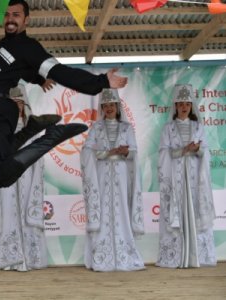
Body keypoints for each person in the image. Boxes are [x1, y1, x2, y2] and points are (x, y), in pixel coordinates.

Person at [0, 0, 128, 189]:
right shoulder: (8, 44)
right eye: (7, 15)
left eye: (16, 15)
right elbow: (20, 69)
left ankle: (52, 136)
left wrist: (101, 82)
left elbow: (59, 71)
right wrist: (39, 80)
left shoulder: (29, 46)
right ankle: (32, 127)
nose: (10, 19)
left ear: (26, 20)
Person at [81, 89, 145, 272]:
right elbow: (86, 151)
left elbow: (134, 152)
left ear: (117, 107)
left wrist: (125, 152)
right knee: (102, 208)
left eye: (112, 105)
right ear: (102, 107)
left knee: (121, 210)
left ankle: (125, 254)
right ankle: (101, 255)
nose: (109, 108)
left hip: (121, 174)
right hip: (101, 174)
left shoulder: (127, 128)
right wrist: (108, 153)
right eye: (105, 105)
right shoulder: (96, 128)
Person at [0, 85, 47, 271]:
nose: (16, 108)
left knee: (25, 209)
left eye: (19, 103)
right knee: (9, 212)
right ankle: (10, 258)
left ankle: (29, 257)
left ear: (24, 106)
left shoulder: (32, 129)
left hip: (27, 175)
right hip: (7, 178)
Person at [156, 84, 216, 268]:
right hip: (176, 179)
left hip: (194, 178)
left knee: (196, 210)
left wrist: (198, 150)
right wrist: (184, 150)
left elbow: (205, 151)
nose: (184, 107)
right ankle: (175, 256)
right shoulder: (168, 128)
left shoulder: (198, 127)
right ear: (175, 106)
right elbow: (163, 153)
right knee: (177, 211)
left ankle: (199, 255)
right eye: (180, 103)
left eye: (187, 104)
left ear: (191, 106)